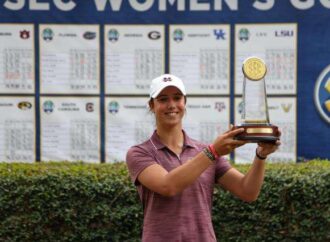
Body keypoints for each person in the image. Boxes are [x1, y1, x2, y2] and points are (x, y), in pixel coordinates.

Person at [126, 74, 280, 242]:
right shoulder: (140, 153)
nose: (171, 105)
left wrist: (261, 155)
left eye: (177, 98)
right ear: (152, 105)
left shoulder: (204, 151)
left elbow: (248, 192)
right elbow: (167, 186)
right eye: (163, 99)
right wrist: (213, 152)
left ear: (184, 102)